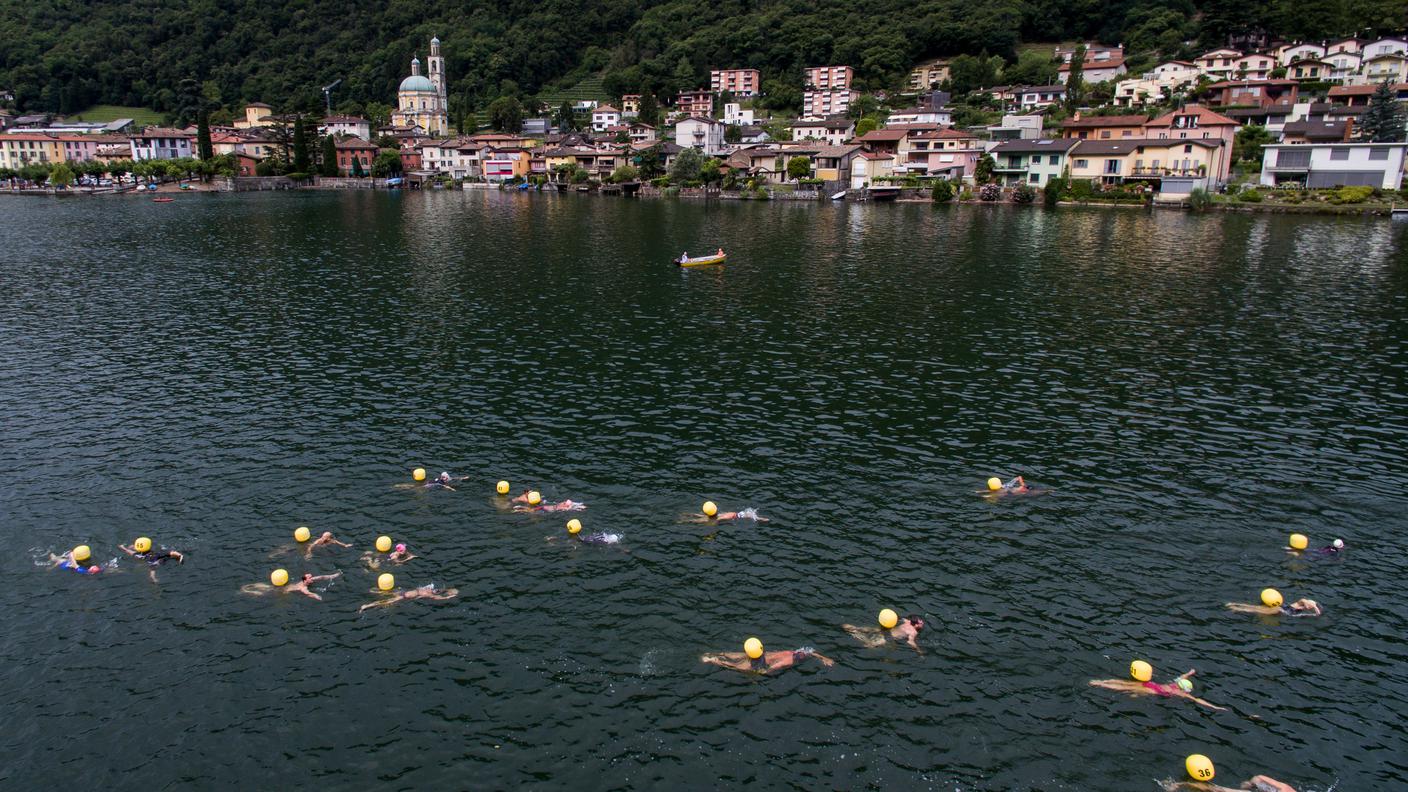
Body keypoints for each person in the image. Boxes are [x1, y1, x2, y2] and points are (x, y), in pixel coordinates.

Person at [1089, 668, 1226, 711]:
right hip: (1153, 691)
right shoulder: (1177, 692)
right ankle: (1100, 684)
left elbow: (1182, 676)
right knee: (1123, 689)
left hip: (1152, 685)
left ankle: (1102, 682)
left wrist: (1190, 673)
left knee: (1125, 683)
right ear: (1184, 690)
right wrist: (1215, 707)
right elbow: (1197, 699)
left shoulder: (1175, 684)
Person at [701, 646, 836, 675]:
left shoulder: (788, 652)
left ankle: (717, 654)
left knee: (740, 656)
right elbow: (770, 669)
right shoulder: (789, 659)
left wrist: (824, 658)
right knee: (736, 666)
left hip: (762, 655)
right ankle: (712, 659)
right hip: (762, 662)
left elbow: (809, 650)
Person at [842, 614, 926, 650]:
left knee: (873, 629)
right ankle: (855, 633)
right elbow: (910, 642)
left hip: (885, 629)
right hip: (888, 637)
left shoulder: (907, 621)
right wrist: (919, 651)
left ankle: (856, 628)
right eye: (920, 622)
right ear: (916, 625)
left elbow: (896, 618)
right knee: (869, 645)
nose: (922, 622)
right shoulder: (913, 632)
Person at [359, 583, 459, 612]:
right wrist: (447, 598)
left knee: (387, 594)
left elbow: (439, 594)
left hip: (404, 592)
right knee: (384, 602)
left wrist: (448, 593)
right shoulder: (429, 593)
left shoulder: (428, 589)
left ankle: (373, 592)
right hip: (403, 596)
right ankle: (366, 606)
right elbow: (438, 598)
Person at [118, 542, 184, 582]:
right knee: (155, 565)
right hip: (154, 559)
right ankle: (153, 578)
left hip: (148, 559)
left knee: (152, 567)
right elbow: (173, 553)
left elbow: (127, 550)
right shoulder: (157, 554)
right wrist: (180, 556)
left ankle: (153, 578)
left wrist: (122, 547)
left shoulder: (138, 555)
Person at [1160, 775, 1297, 792]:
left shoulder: (1286, 789)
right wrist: (1251, 783)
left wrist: (1252, 783)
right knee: (1217, 790)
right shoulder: (1285, 789)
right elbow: (1259, 778)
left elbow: (1259, 778)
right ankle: (1179, 784)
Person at [1226, 598, 1322, 617]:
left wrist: (1315, 611)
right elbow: (1304, 599)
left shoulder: (1303, 610)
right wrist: (1314, 606)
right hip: (1280, 609)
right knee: (1257, 610)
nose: (1310, 607)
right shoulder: (1300, 603)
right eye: (1310, 605)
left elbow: (1315, 614)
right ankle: (1236, 608)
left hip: (1280, 608)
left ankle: (1233, 603)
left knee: (1257, 608)